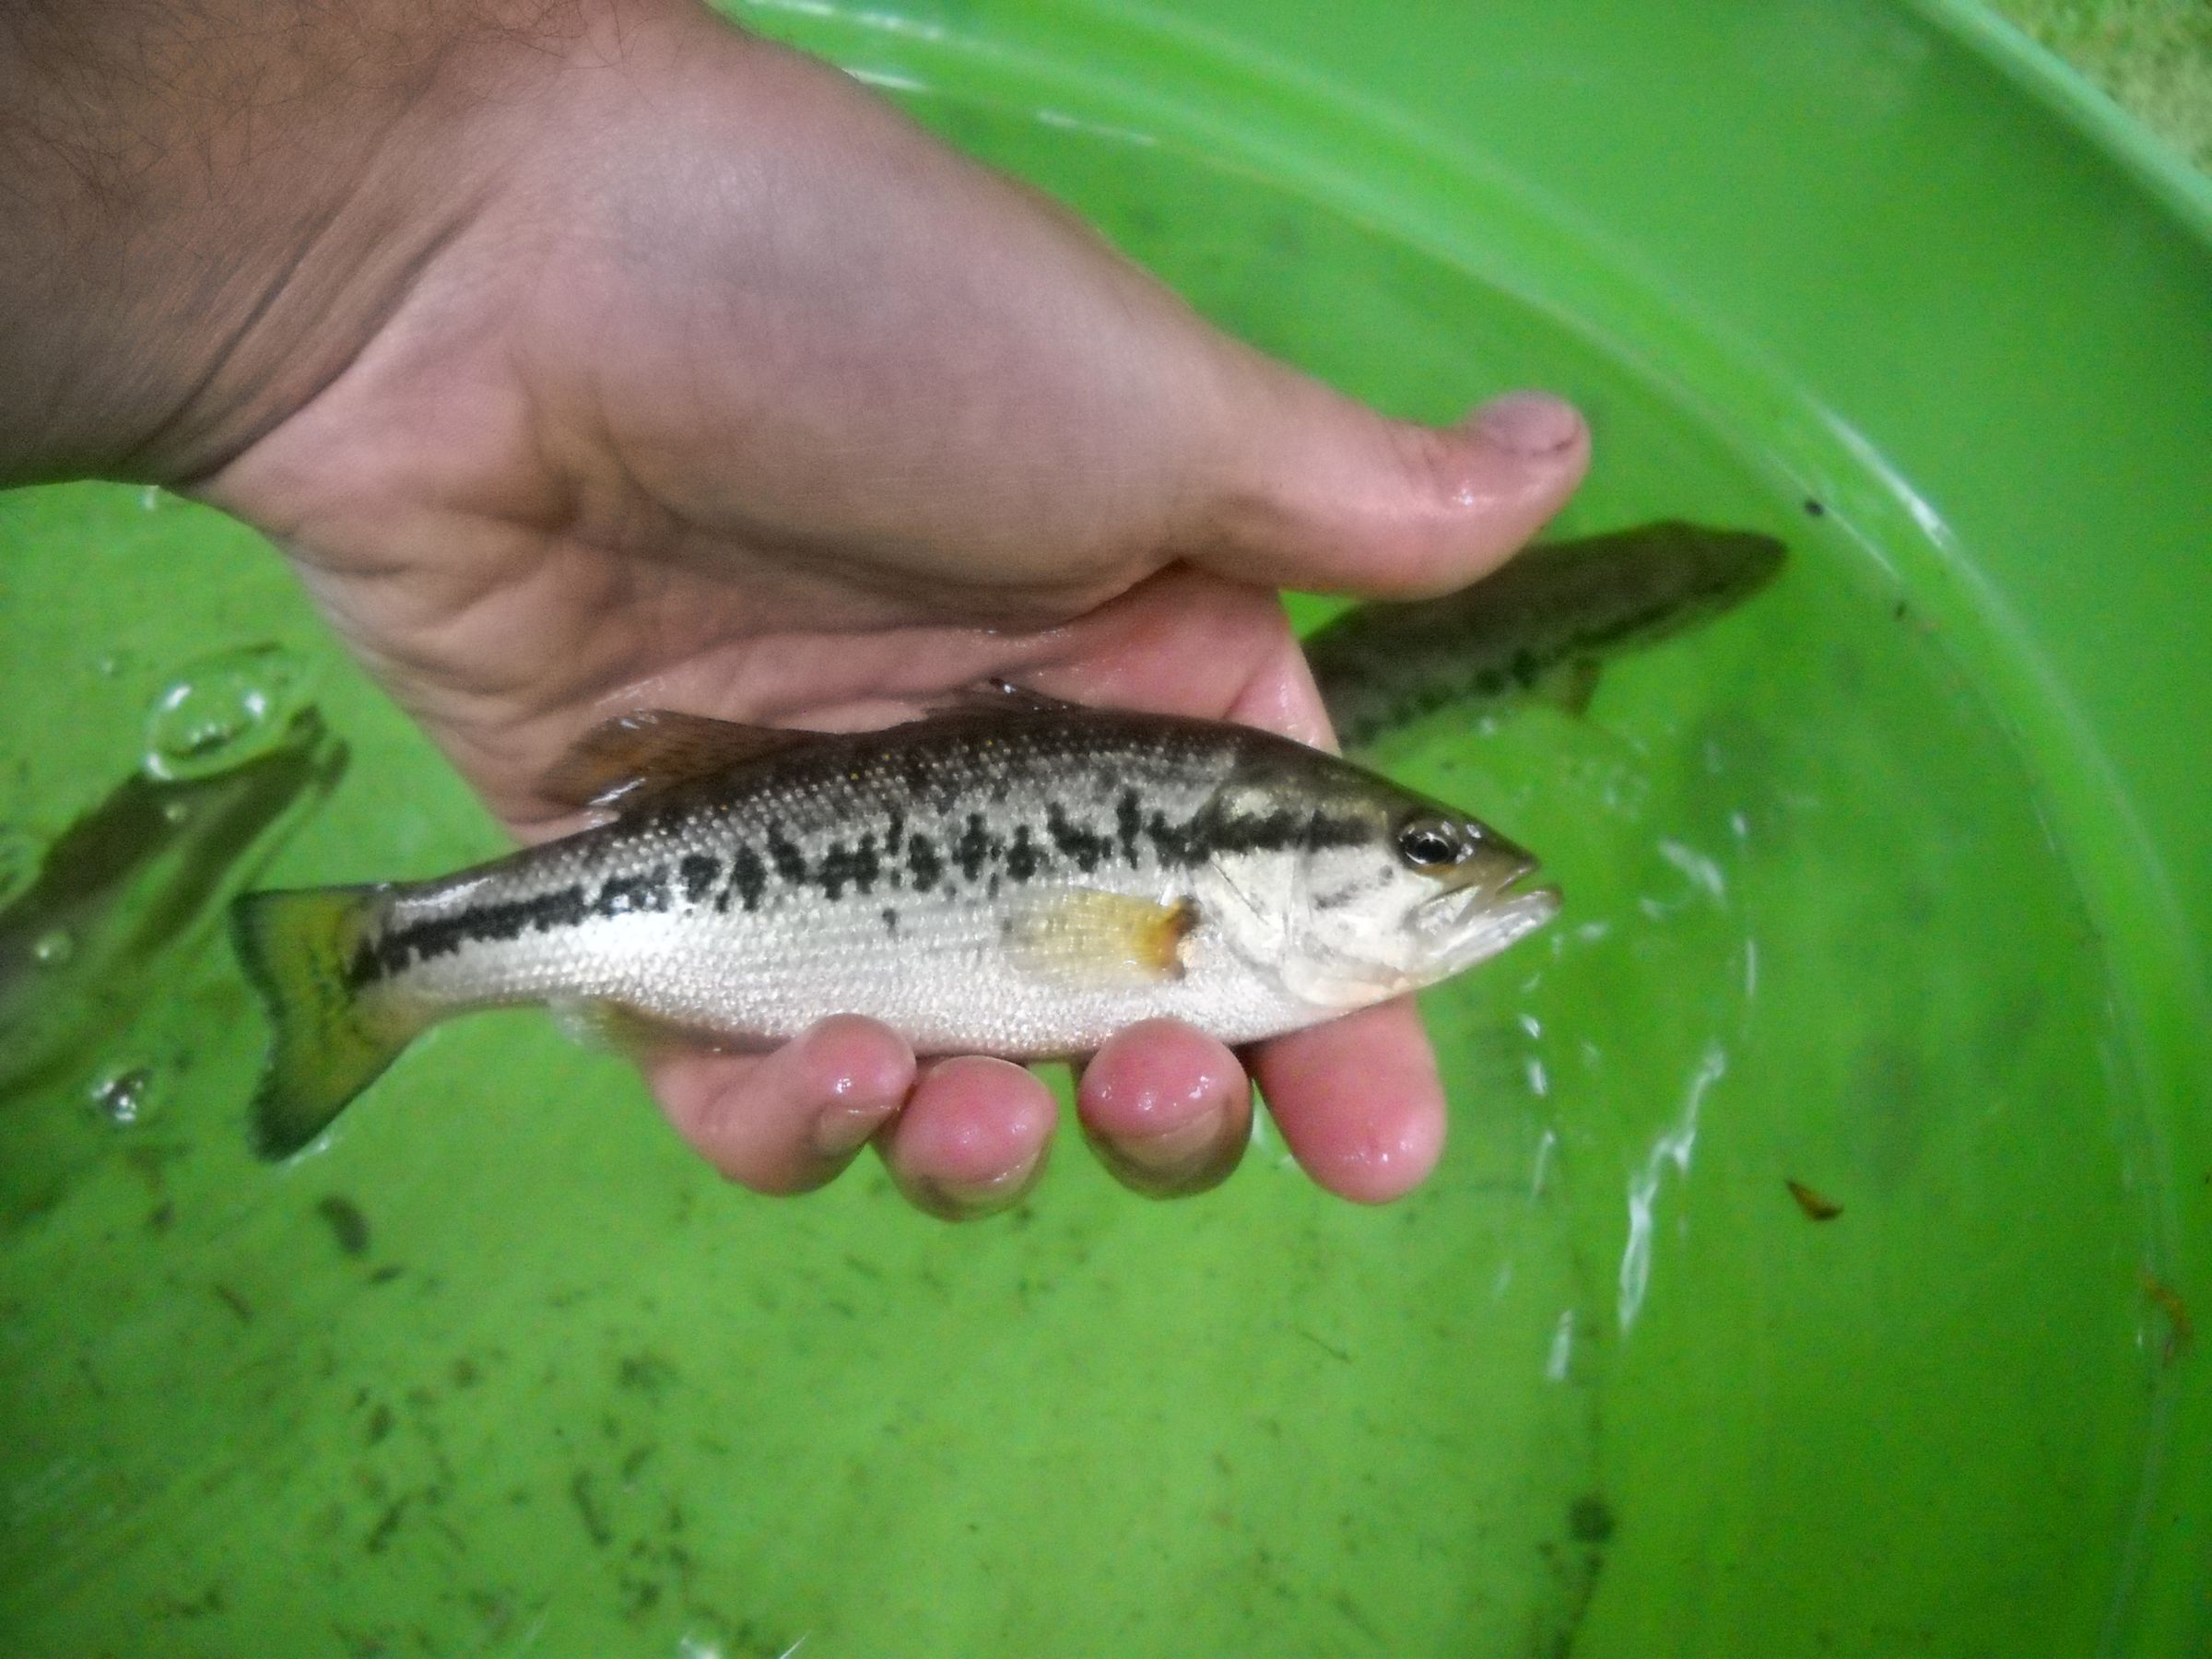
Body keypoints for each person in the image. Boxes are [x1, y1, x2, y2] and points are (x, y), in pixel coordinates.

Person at [0, 0, 1587, 1218]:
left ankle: (404, 949)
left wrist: (436, 221)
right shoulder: (1182, 903)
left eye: (1431, 847)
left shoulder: (1204, 896)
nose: (1461, 870)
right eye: (1423, 852)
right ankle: (399, 954)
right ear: (1250, 859)